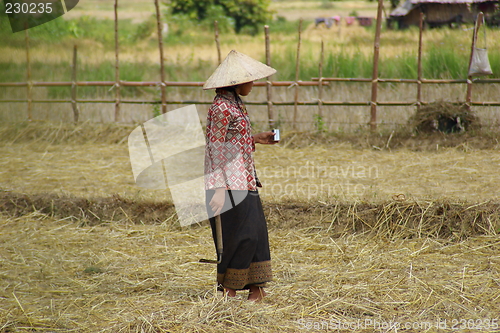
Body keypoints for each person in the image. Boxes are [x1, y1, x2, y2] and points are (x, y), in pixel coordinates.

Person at [203, 50, 277, 301]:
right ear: (236, 81)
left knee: (255, 233)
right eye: (250, 80)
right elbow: (216, 148)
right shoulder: (221, 108)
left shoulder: (235, 103)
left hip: (245, 179)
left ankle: (256, 289)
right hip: (226, 183)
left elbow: (233, 141)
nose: (253, 84)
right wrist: (219, 189)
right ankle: (228, 290)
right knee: (238, 236)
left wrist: (256, 138)